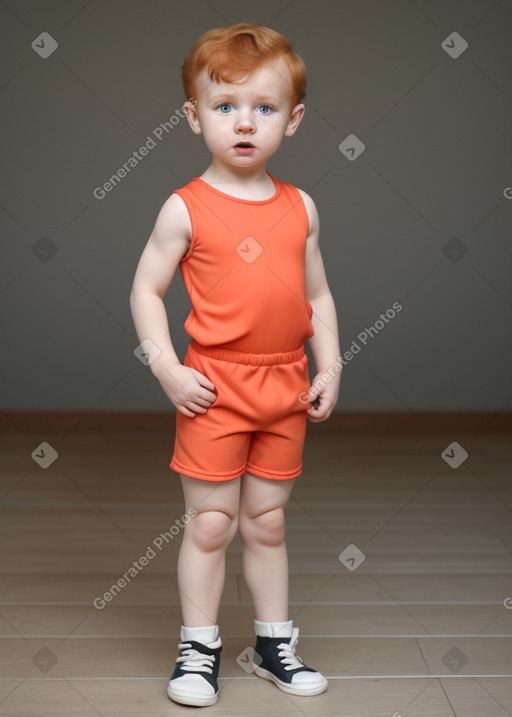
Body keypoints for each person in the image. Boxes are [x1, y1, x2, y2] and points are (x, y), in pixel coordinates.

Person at [130, 22, 341, 708]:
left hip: (282, 380)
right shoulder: (185, 207)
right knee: (212, 522)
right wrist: (165, 366)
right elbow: (145, 290)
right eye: (225, 107)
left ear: (293, 118)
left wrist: (331, 362)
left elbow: (318, 292)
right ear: (193, 117)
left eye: (264, 107)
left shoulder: (300, 206)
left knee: (268, 519)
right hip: (214, 385)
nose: (244, 122)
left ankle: (273, 642)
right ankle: (199, 645)